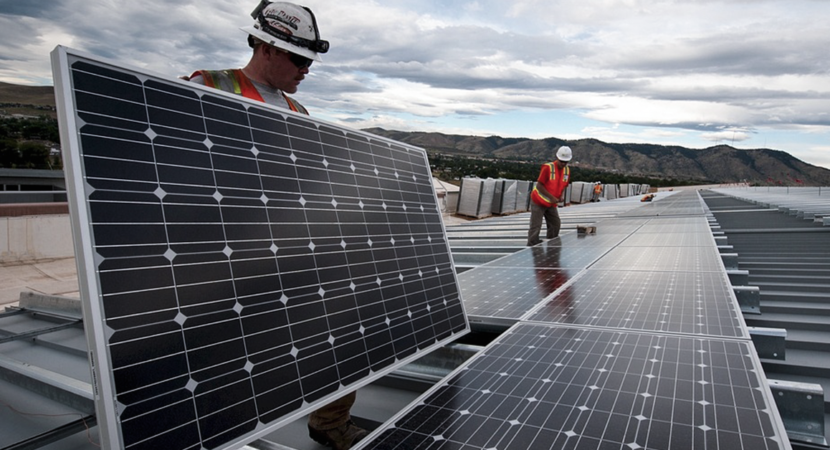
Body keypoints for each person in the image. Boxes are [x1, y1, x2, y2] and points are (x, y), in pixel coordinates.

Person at [188, 3, 367, 450]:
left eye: (309, 61)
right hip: (223, 254)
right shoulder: (208, 86)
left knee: (345, 322)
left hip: (283, 247)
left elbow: (303, 184)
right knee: (223, 357)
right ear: (266, 47)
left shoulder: (298, 111)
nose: (306, 70)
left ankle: (330, 422)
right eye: (298, 59)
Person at [527, 146, 572, 246]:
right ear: (557, 158)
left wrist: (561, 196)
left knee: (555, 224)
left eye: (566, 162)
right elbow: (539, 185)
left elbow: (564, 185)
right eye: (561, 161)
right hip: (539, 200)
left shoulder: (567, 171)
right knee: (536, 225)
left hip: (551, 203)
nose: (563, 164)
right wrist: (551, 197)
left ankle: (552, 244)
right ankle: (532, 246)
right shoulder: (548, 167)